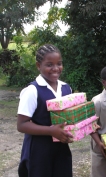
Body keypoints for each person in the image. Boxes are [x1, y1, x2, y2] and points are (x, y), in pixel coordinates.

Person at [17, 44, 73, 177]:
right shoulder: (32, 90)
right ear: (38, 65)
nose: (55, 68)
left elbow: (70, 116)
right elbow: (22, 124)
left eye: (59, 64)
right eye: (49, 64)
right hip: (39, 149)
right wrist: (51, 131)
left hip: (61, 147)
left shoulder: (66, 88)